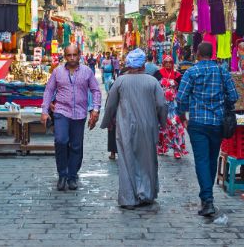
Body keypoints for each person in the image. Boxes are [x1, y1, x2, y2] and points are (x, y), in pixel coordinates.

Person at [176, 42, 238, 217]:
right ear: (212, 54)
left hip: (198, 122)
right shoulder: (222, 71)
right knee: (211, 160)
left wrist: (182, 116)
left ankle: (207, 199)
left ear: (197, 54)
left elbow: (181, 97)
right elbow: (233, 96)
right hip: (217, 122)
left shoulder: (191, 72)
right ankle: (207, 197)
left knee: (202, 160)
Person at [101, 48, 167, 209]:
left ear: (128, 64)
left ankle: (128, 198)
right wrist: (162, 123)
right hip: (148, 126)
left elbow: (110, 105)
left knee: (126, 159)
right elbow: (161, 105)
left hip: (125, 126)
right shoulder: (152, 82)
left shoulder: (120, 81)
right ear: (143, 64)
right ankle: (147, 194)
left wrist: (106, 122)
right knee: (148, 160)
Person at [41, 45, 102, 191]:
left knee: (76, 145)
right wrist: (44, 110)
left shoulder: (87, 72)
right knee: (61, 141)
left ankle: (72, 176)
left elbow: (95, 90)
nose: (72, 58)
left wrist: (96, 109)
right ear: (65, 56)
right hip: (62, 111)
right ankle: (62, 174)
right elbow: (49, 90)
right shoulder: (57, 72)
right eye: (69, 55)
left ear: (80, 55)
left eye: (75, 55)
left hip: (79, 113)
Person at [153, 56, 187, 159]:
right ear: (163, 63)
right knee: (161, 127)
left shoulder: (177, 75)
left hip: (173, 106)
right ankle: (161, 147)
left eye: (170, 62)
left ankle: (177, 149)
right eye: (166, 62)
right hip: (161, 105)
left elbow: (182, 90)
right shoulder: (157, 74)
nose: (168, 64)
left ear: (173, 63)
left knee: (175, 127)